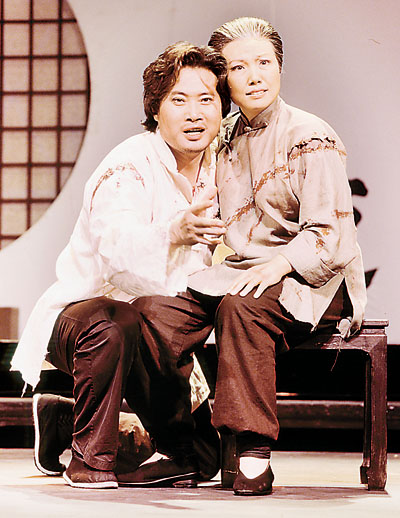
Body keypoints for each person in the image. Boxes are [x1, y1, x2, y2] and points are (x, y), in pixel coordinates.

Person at [120, 17, 367, 496]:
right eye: (238, 67)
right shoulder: (224, 135)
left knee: (241, 307)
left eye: (264, 63)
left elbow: (330, 232)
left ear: (279, 68)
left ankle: (253, 453)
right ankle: (183, 448)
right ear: (224, 81)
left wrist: (279, 263)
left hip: (314, 276)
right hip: (242, 272)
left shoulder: (310, 135)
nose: (254, 76)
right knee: (150, 315)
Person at [11, 41, 230, 489]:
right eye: (179, 100)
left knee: (201, 461)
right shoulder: (128, 165)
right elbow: (117, 254)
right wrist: (174, 232)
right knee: (119, 320)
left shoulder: (223, 164)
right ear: (156, 109)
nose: (194, 114)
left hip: (163, 330)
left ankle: (63, 415)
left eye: (206, 99)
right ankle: (89, 458)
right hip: (88, 318)